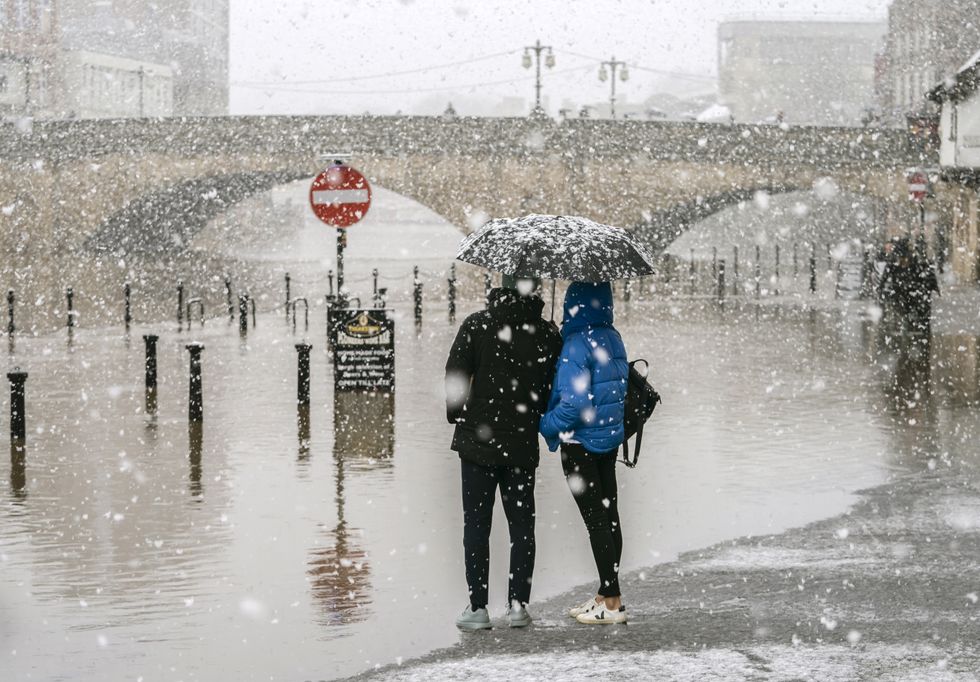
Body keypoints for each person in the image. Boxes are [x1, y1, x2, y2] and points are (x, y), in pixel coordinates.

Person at [445, 274, 562, 631]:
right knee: (522, 526)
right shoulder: (545, 334)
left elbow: (455, 375)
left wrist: (458, 414)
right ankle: (517, 606)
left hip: (478, 444)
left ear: (499, 286)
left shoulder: (477, 324)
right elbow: (550, 388)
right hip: (521, 444)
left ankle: (477, 608)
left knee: (477, 526)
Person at [540, 281, 630, 625]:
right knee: (609, 515)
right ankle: (607, 595)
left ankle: (611, 603)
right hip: (608, 439)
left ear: (571, 305)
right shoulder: (613, 337)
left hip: (580, 445)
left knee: (596, 521)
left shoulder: (576, 344)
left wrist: (546, 424)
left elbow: (573, 405)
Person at [878, 237, 940, 334]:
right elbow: (887, 275)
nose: (904, 261)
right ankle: (908, 322)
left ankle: (910, 322)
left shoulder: (911, 262)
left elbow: (923, 275)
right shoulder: (896, 263)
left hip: (909, 290)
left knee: (910, 306)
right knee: (905, 305)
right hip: (905, 290)